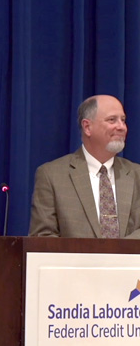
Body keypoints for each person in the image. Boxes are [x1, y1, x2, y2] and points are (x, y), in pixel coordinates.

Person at [29, 94, 140, 239]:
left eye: (123, 120)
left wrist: (116, 255)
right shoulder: (52, 175)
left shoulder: (136, 174)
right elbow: (42, 237)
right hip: (71, 262)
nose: (121, 127)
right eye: (112, 120)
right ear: (87, 127)